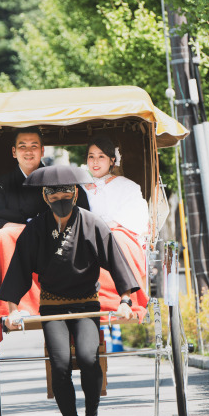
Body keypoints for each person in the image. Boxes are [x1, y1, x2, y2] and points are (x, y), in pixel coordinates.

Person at [0, 165, 139, 416]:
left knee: (88, 357)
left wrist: (125, 301)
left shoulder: (92, 223)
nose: (60, 198)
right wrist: (12, 310)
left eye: (65, 193)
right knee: (60, 364)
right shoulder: (36, 228)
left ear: (75, 193)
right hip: (53, 306)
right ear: (45, 196)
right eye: (53, 194)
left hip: (87, 303)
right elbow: (18, 270)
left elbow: (116, 263)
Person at [0, 127, 89, 356]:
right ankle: (17, 307)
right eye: (22, 147)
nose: (28, 152)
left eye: (34, 146)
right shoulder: (2, 184)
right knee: (5, 236)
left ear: (42, 150)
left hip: (59, 249)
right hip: (23, 251)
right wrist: (28, 229)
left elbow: (82, 212)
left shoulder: (60, 178)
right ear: (14, 152)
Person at [81, 135, 149, 318]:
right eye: (91, 156)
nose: (95, 162)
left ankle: (121, 300)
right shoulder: (80, 188)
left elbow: (136, 216)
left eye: (101, 156)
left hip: (119, 234)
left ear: (112, 160)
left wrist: (108, 227)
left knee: (113, 239)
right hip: (88, 235)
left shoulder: (128, 186)